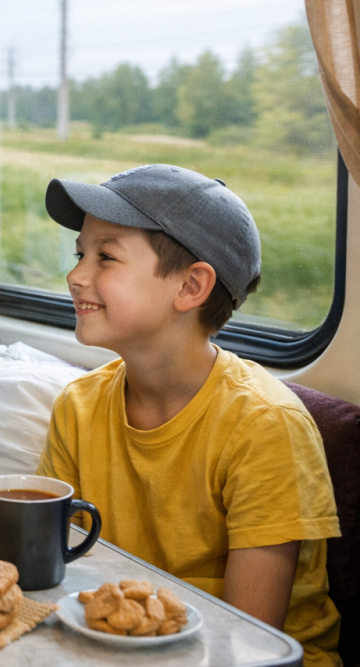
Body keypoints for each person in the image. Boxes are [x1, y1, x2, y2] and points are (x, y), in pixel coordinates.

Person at [35, 164, 341, 666]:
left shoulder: (265, 425)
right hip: (119, 647)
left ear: (191, 287)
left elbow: (249, 638)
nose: (76, 275)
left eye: (106, 257)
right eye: (80, 253)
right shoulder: (79, 406)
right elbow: (53, 570)